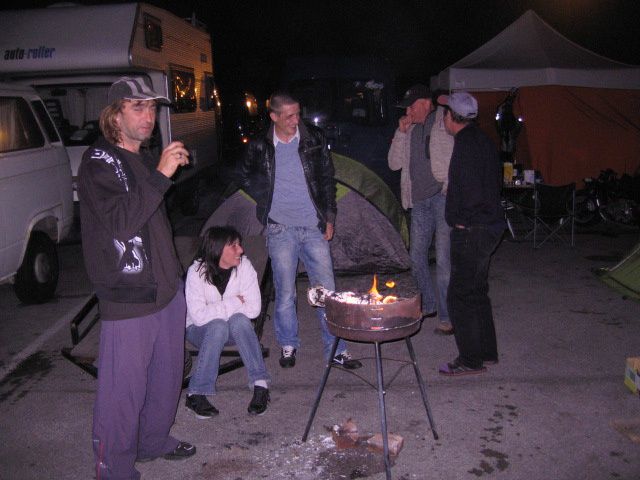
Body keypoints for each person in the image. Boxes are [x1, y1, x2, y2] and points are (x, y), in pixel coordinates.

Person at [78, 76, 195, 479]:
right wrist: (162, 174)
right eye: (138, 107)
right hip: (129, 296)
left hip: (165, 290)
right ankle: (114, 468)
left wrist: (177, 279)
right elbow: (121, 222)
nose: (149, 116)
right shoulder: (98, 161)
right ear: (115, 115)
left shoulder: (142, 160)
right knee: (122, 394)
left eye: (152, 107)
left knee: (165, 380)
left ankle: (153, 441)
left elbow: (153, 221)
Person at [238, 91, 362, 370]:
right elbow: (245, 175)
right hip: (280, 228)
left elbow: (327, 178)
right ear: (274, 117)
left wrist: (329, 216)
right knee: (285, 293)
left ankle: (336, 350)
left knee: (326, 291)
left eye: (298, 113)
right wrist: (266, 198)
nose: (297, 120)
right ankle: (288, 344)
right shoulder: (260, 145)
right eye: (290, 116)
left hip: (312, 226)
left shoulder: (313, 138)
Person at [437, 91, 505, 376]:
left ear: (451, 117)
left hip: (473, 229)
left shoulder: (465, 146)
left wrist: (462, 221)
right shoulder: (485, 142)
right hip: (490, 226)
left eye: (445, 113)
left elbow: (470, 190)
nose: (443, 117)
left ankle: (469, 359)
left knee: (459, 295)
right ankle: (487, 352)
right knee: (477, 291)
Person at [184, 226, 271, 417]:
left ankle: (260, 385)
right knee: (217, 326)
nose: (240, 250)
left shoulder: (244, 267)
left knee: (239, 320)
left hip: (233, 330)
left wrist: (216, 310)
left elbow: (254, 309)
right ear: (217, 249)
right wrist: (235, 302)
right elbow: (198, 317)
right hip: (198, 331)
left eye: (239, 245)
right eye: (234, 246)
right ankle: (196, 393)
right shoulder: (196, 272)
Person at [388, 84, 454, 335]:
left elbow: (457, 152)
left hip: (442, 198)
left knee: (444, 260)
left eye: (411, 105)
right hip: (418, 201)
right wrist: (400, 133)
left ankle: (447, 317)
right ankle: (428, 303)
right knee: (416, 257)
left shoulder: (444, 120)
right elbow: (393, 164)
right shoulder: (409, 129)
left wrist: (451, 184)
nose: (407, 110)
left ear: (426, 103)